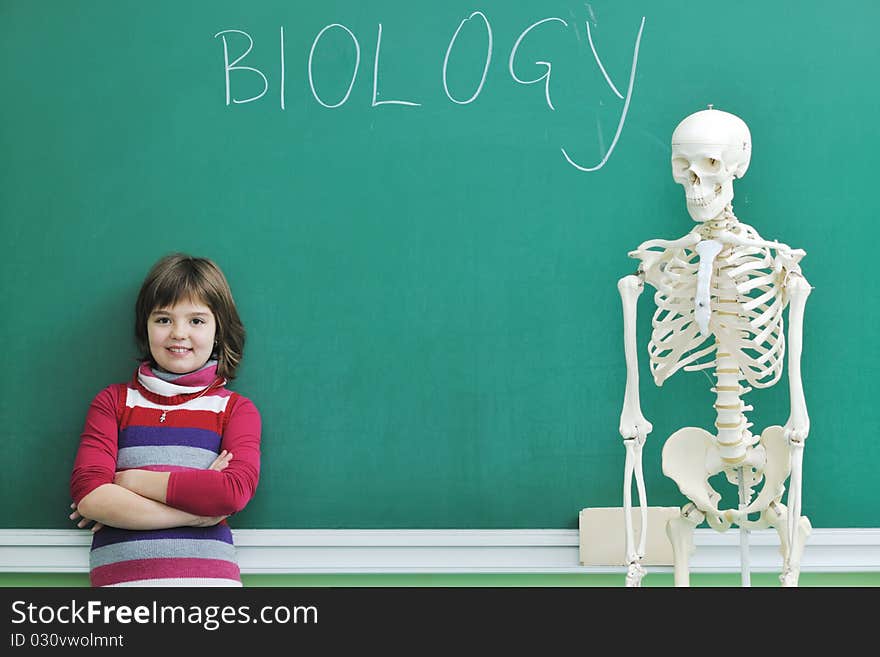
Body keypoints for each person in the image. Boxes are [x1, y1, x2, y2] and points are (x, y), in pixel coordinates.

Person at [69, 253, 261, 587]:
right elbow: (90, 495)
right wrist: (195, 512)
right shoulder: (112, 402)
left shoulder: (235, 410)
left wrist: (127, 482)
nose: (179, 334)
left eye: (197, 321)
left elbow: (231, 493)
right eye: (163, 319)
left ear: (219, 330)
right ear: (145, 326)